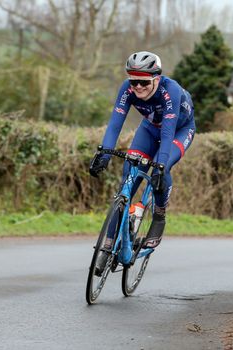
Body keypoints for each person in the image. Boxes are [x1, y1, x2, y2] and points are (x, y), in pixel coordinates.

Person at [90, 51, 196, 275]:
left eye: (143, 82)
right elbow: (114, 125)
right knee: (127, 182)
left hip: (178, 131)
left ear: (156, 79)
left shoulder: (171, 91)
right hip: (148, 129)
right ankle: (107, 246)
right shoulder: (127, 89)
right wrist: (104, 155)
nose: (137, 87)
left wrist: (159, 166)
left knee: (161, 165)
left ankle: (159, 214)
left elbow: (167, 135)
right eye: (133, 81)